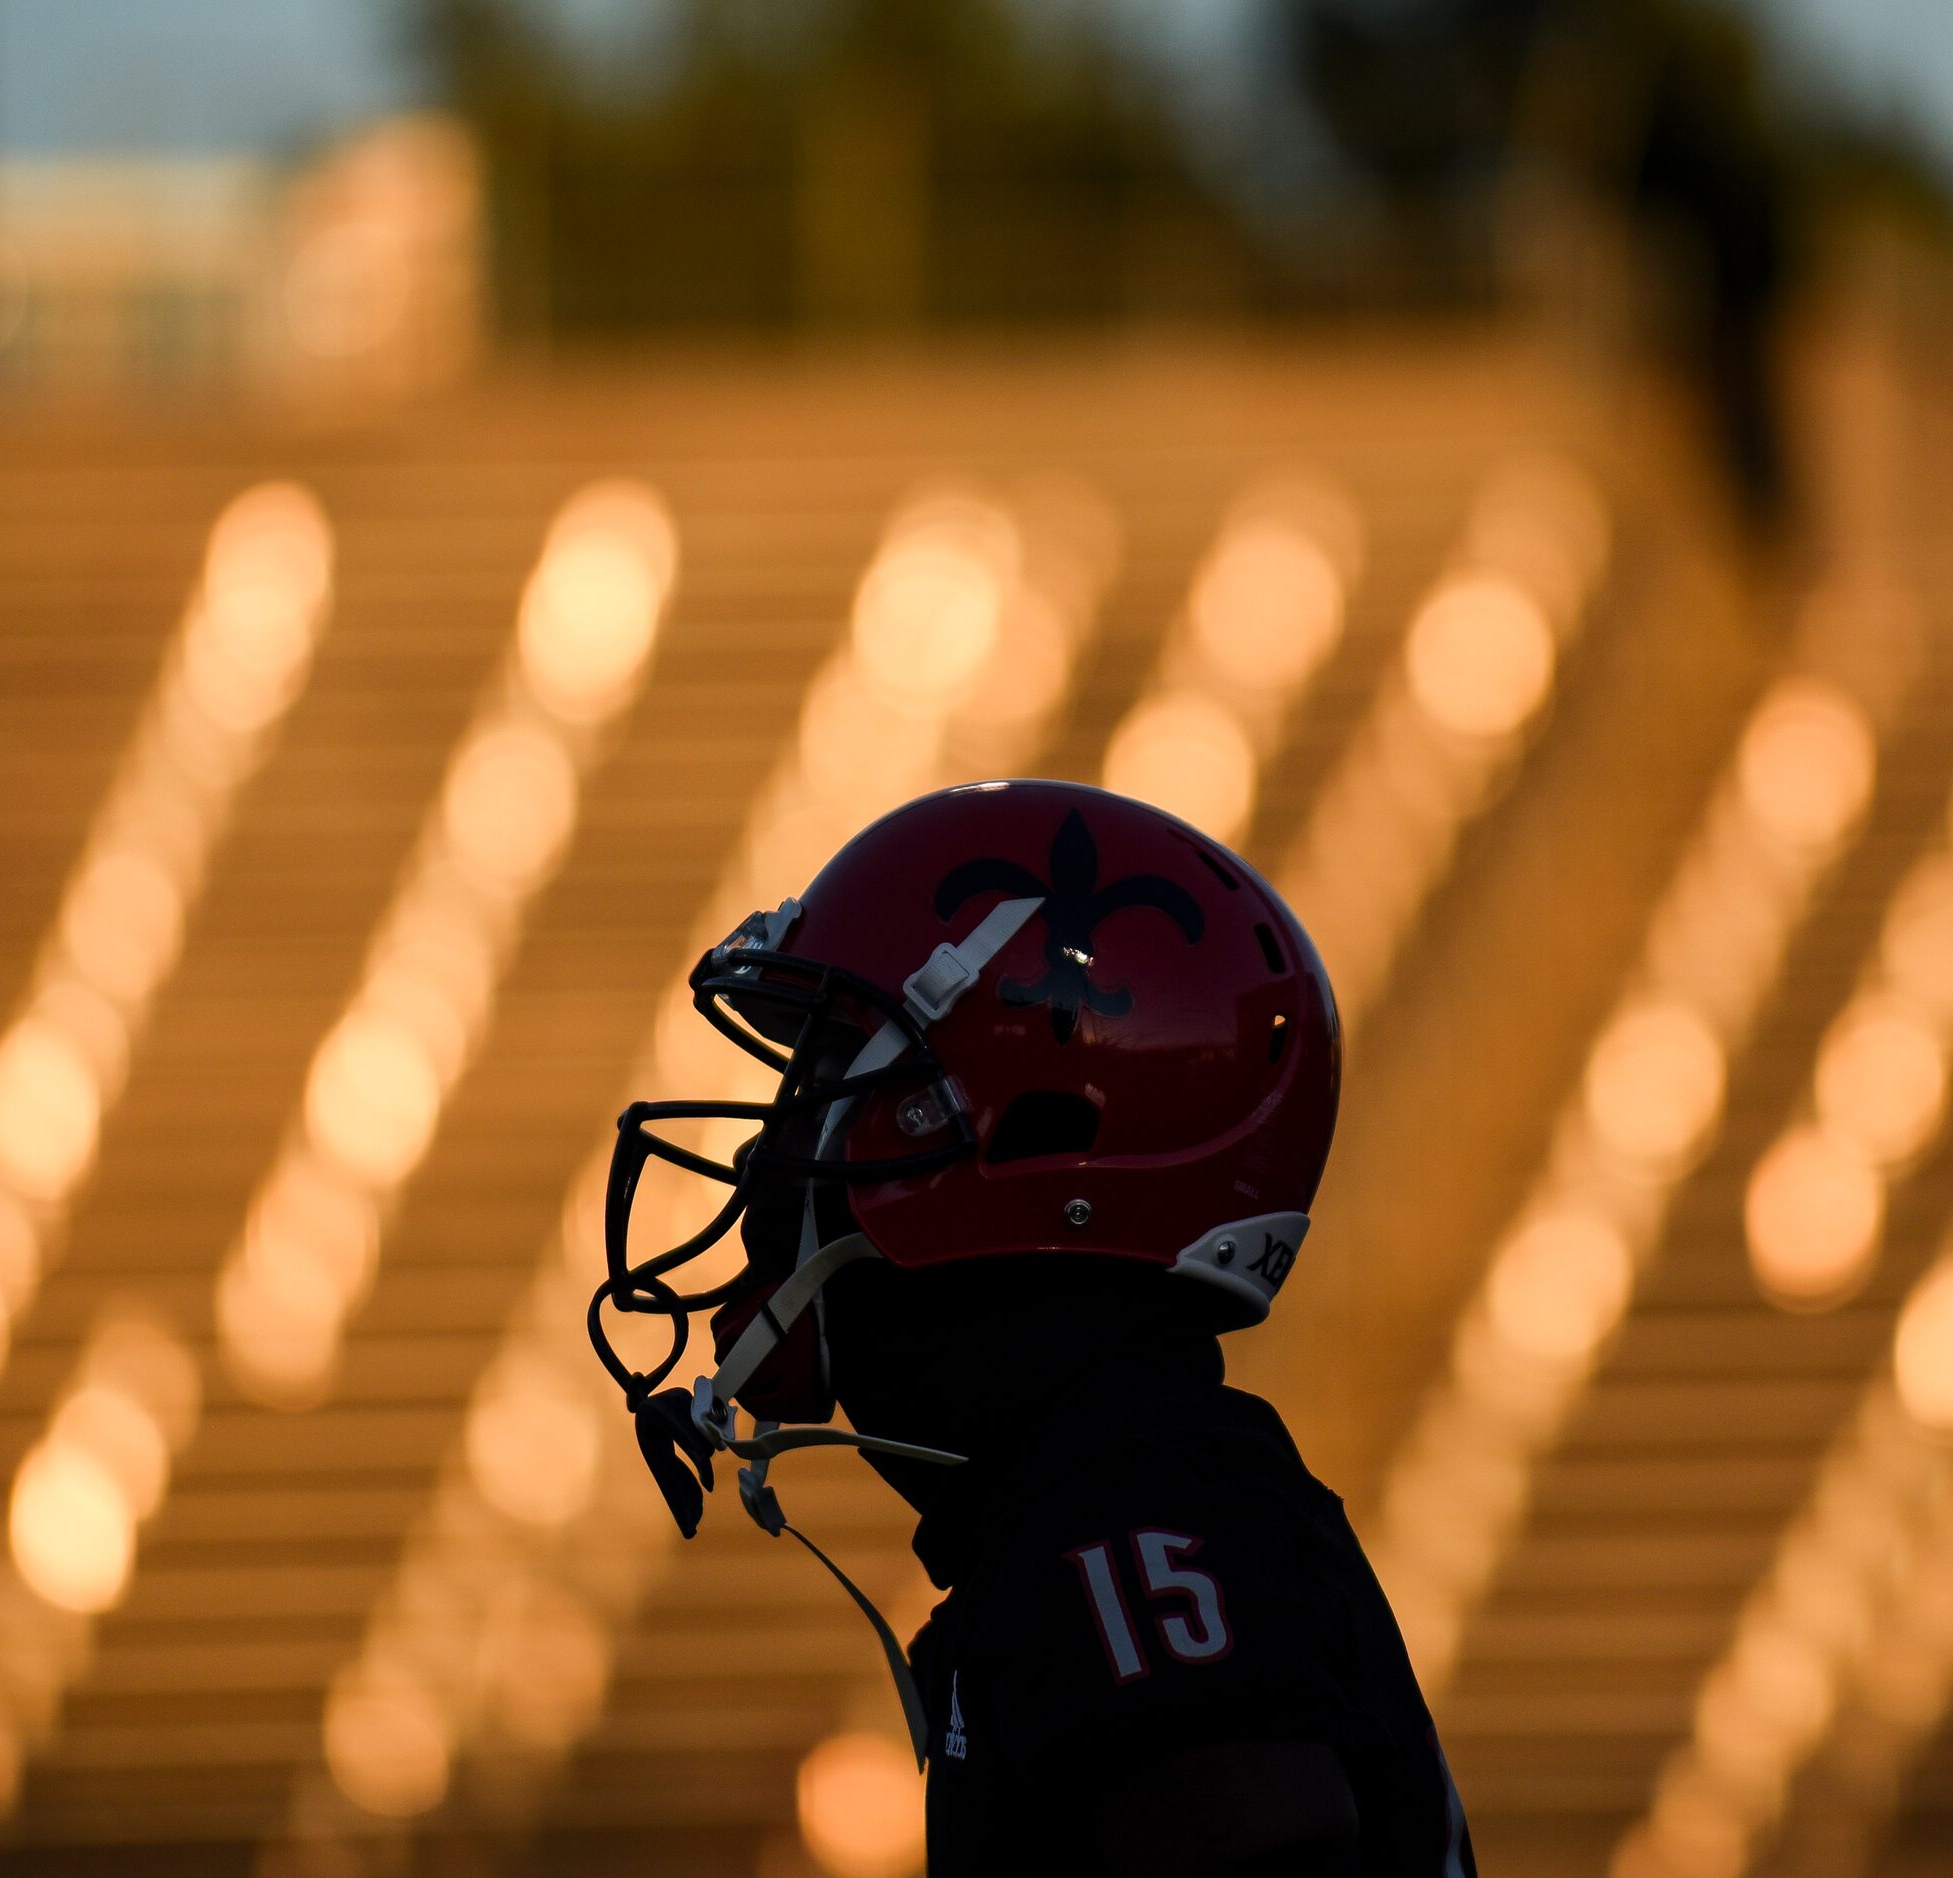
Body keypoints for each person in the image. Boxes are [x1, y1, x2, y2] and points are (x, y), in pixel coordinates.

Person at [589, 779, 1474, 1874]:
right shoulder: (1096, 1492)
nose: (770, 1158)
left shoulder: (1137, 1514)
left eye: (827, 1088)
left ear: (1039, 1135)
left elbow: (1242, 1839)